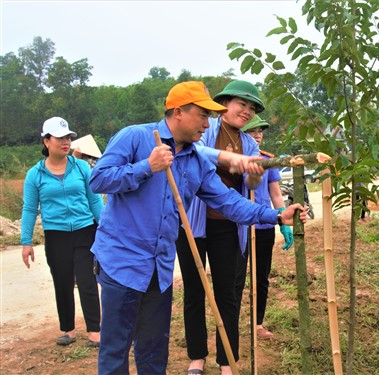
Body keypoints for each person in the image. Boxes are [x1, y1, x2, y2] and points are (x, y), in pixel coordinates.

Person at [90, 81, 306, 375]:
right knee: (116, 349)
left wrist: (277, 216)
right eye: (202, 115)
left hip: (159, 268)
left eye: (209, 117)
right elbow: (98, 180)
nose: (207, 124)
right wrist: (145, 167)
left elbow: (229, 202)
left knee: (154, 349)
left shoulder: (194, 160)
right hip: (121, 262)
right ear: (179, 112)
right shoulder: (135, 138)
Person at [175, 80, 269, 375]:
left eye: (251, 108)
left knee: (228, 292)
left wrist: (253, 173)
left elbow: (251, 185)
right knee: (194, 289)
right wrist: (228, 158)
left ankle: (227, 359)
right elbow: (195, 154)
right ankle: (196, 355)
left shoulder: (251, 143)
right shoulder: (206, 130)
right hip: (192, 223)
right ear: (226, 103)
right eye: (242, 104)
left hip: (229, 225)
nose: (246, 111)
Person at [21, 116, 104, 347]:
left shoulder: (81, 168)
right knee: (62, 281)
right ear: (46, 141)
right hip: (56, 235)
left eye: (68, 137)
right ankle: (68, 329)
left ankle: (95, 331)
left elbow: (94, 200)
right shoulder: (35, 175)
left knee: (88, 281)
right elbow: (29, 209)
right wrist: (26, 242)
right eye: (60, 138)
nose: (66, 142)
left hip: (85, 230)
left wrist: (106, 228)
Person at [234, 115, 294, 341]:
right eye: (253, 131)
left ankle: (257, 323)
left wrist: (283, 222)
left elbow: (276, 194)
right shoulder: (235, 161)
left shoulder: (268, 161)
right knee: (237, 278)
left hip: (264, 226)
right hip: (239, 226)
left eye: (261, 131)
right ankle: (233, 323)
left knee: (261, 277)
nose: (258, 135)